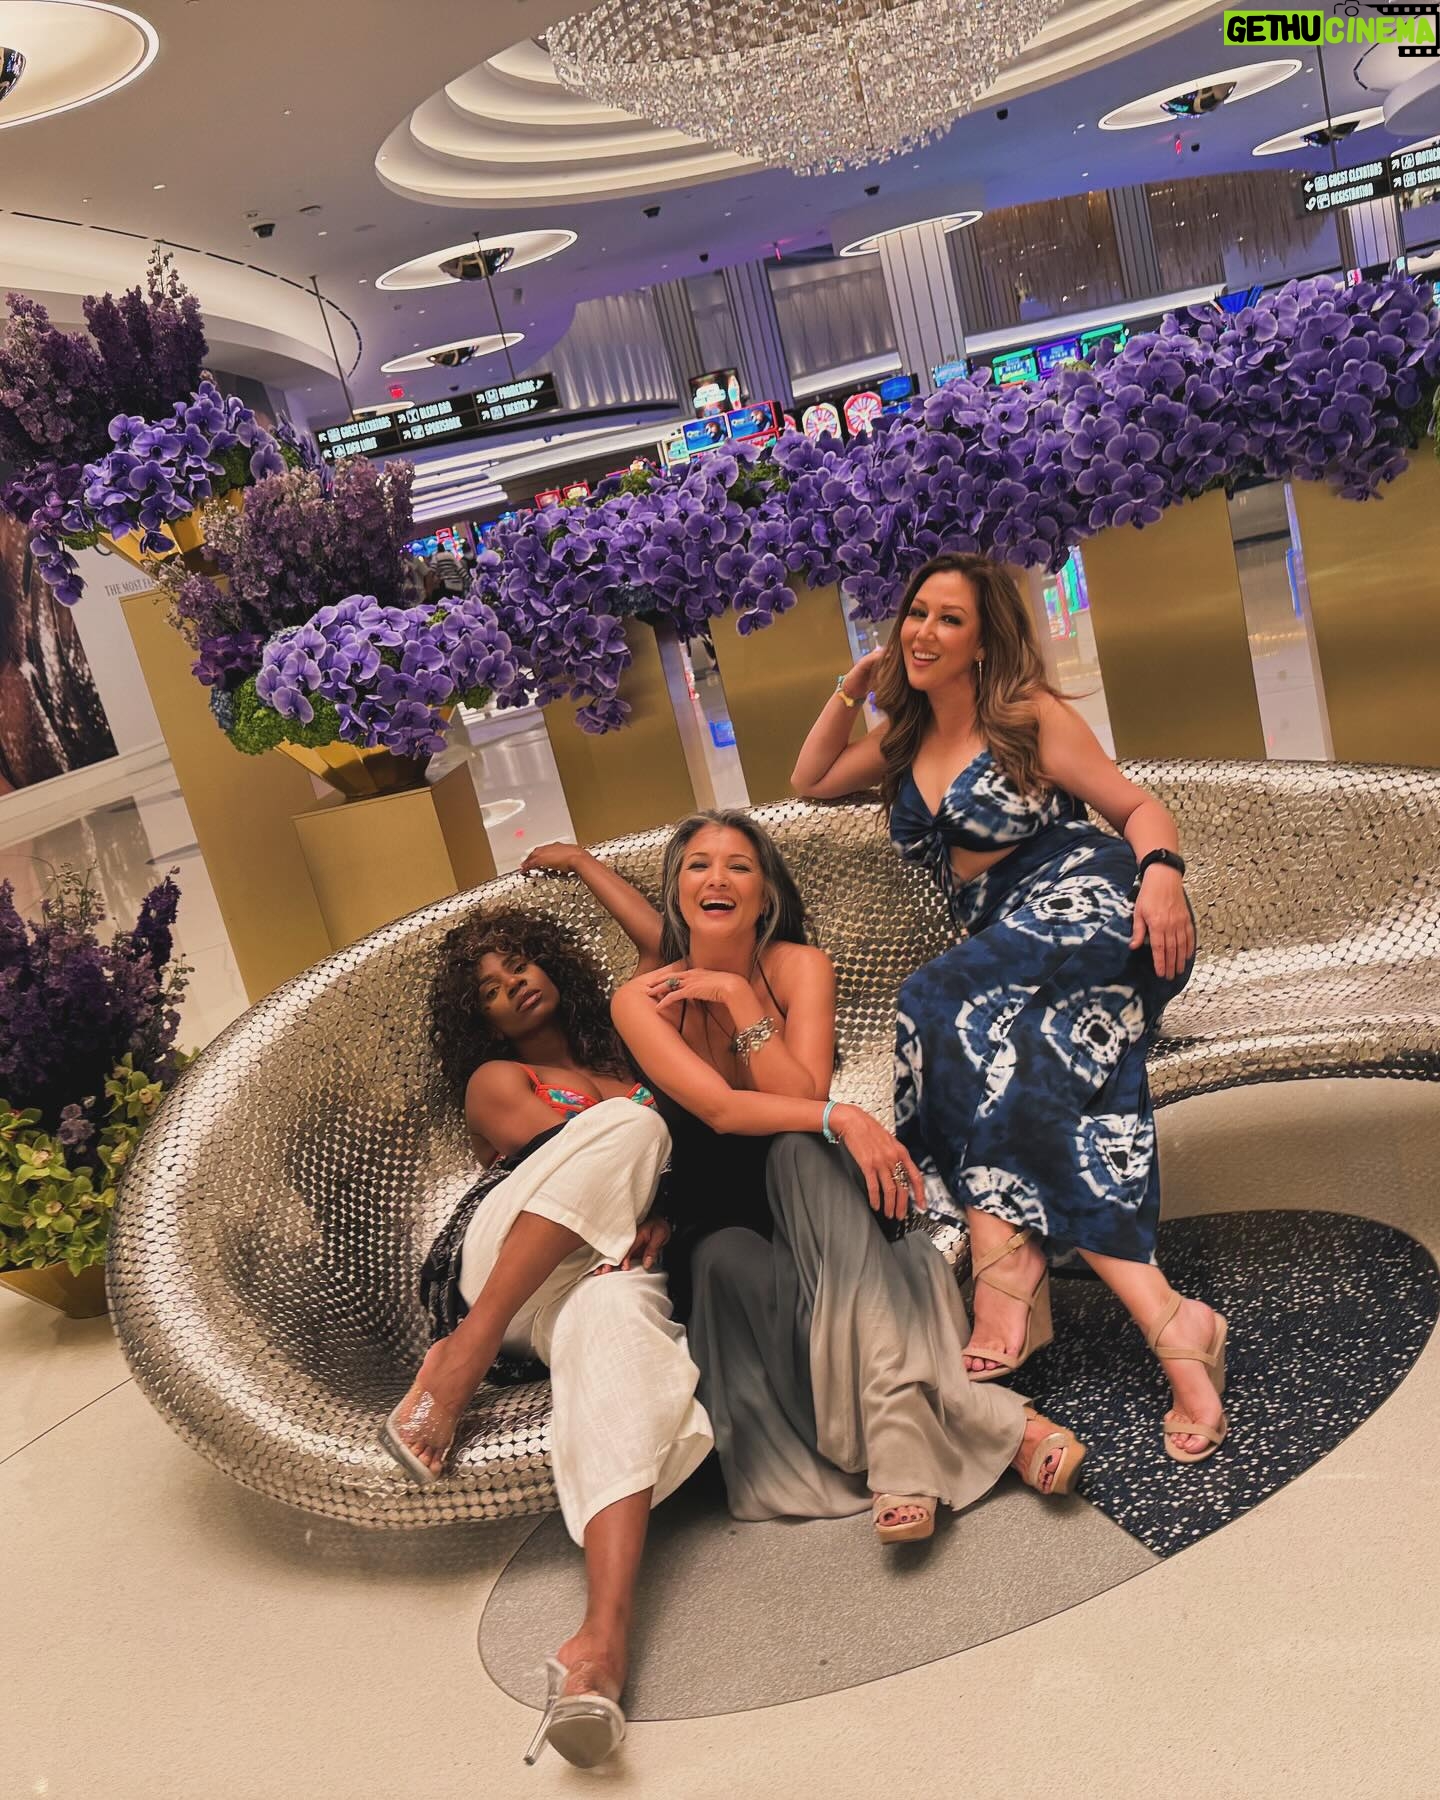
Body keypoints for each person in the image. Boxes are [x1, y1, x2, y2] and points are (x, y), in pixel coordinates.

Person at [541, 810, 1086, 1544]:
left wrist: (739, 1000)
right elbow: (721, 1111)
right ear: (675, 893)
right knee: (724, 1257)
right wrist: (847, 1117)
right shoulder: (640, 999)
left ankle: (899, 1441)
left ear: (765, 894)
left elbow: (799, 1100)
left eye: (739, 866)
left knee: (801, 1150)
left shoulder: (802, 967)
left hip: (817, 1191)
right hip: (719, 1212)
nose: (717, 878)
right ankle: (1006, 1429)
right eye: (698, 865)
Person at [792, 551, 1227, 1465]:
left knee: (931, 998)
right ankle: (1169, 1319)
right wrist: (849, 688)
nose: (923, 631)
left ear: (985, 640)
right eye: (916, 612)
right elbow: (811, 779)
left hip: (1097, 906)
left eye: (949, 619)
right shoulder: (904, 743)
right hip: (1010, 953)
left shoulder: (1027, 718)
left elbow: (1136, 808)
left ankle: (1008, 1272)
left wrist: (1162, 876)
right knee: (1017, 1074)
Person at [382, 907, 712, 1768]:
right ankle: (464, 1352)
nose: (514, 987)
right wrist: (657, 1182)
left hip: (600, 1273)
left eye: (522, 964)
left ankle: (598, 1644)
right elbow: (561, 1165)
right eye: (491, 989)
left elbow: (663, 948)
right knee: (636, 1127)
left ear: (555, 966)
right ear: (483, 1020)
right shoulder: (496, 1078)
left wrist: (580, 864)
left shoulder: (626, 1057)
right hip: (505, 1262)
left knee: (619, 1327)